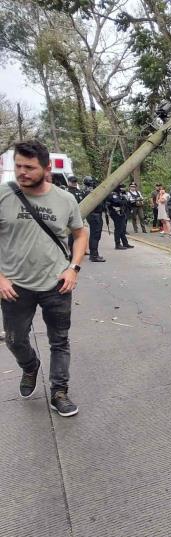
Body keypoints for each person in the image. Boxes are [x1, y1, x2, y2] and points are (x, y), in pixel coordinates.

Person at [0, 139, 89, 416]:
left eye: (29, 167)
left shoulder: (65, 199)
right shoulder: (3, 195)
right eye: (18, 166)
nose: (22, 172)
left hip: (57, 283)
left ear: (46, 168)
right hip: (14, 285)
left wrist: (73, 268)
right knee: (15, 339)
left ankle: (59, 391)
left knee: (59, 340)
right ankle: (30, 366)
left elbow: (80, 232)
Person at [82, 176, 106, 263]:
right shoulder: (90, 192)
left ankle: (94, 254)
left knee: (94, 235)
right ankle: (94, 255)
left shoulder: (86, 191)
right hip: (94, 215)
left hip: (93, 215)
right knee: (95, 235)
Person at [107, 184, 134, 250]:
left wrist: (124, 199)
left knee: (122, 228)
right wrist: (124, 200)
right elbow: (119, 202)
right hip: (115, 213)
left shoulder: (120, 194)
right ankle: (117, 244)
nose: (123, 189)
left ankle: (125, 243)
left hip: (121, 212)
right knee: (118, 228)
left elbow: (126, 202)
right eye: (121, 187)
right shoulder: (113, 194)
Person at [64, 176, 87, 253]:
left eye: (75, 182)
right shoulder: (66, 192)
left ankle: (79, 249)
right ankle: (70, 251)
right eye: (72, 182)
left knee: (80, 233)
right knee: (71, 234)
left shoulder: (79, 191)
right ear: (68, 182)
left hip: (79, 215)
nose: (74, 183)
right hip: (69, 216)